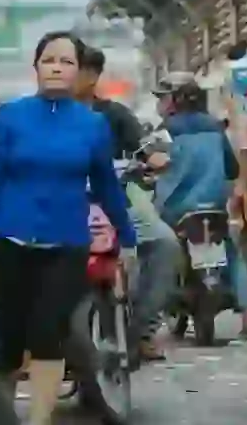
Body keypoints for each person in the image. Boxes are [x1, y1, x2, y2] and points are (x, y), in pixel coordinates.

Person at [0, 31, 139, 425]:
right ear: (36, 67)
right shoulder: (11, 116)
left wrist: (128, 236)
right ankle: (1, 417)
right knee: (7, 341)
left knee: (48, 335)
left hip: (67, 246)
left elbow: (106, 184)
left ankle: (39, 420)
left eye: (67, 61)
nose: (57, 67)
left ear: (78, 72)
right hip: (7, 241)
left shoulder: (92, 126)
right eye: (49, 60)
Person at [74, 46, 181, 362]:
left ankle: (142, 330)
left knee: (165, 244)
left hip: (117, 193)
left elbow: (143, 146)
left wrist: (155, 157)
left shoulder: (115, 114)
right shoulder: (44, 114)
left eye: (74, 66)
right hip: (62, 197)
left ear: (92, 75)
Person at [152, 74, 247, 337]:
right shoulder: (215, 128)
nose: (160, 103)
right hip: (213, 207)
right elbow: (232, 168)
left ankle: (153, 311)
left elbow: (151, 167)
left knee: (157, 247)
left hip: (175, 208)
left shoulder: (163, 132)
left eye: (163, 97)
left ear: (175, 100)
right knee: (232, 251)